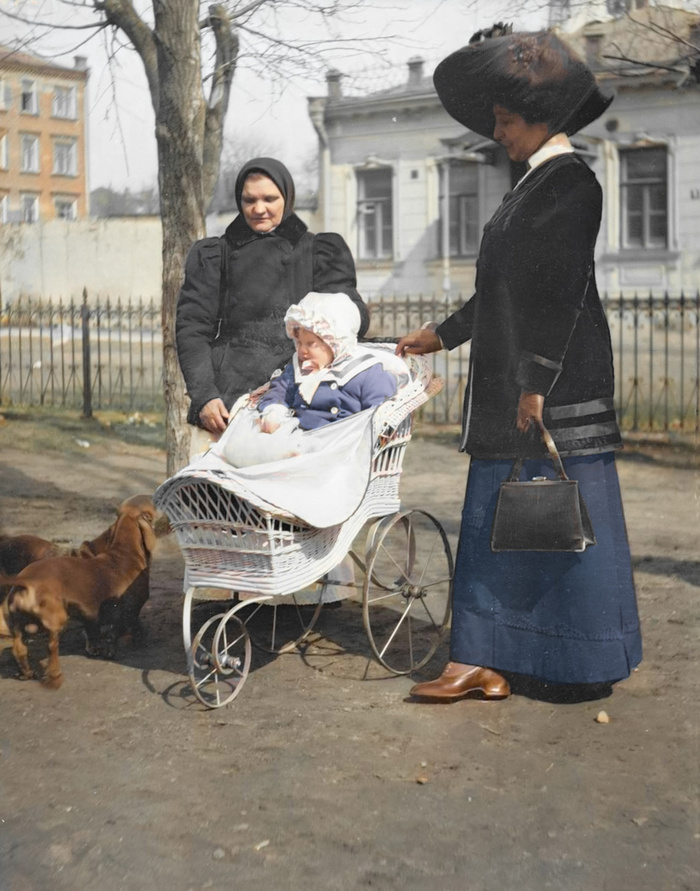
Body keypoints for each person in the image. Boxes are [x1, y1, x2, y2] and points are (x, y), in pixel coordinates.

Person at [397, 29, 642, 701]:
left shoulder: (572, 183)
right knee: (499, 523)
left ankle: (566, 659)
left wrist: (535, 385)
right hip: (515, 385)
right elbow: (501, 291)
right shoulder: (531, 184)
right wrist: (440, 336)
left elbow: (559, 292)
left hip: (551, 387)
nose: (497, 132)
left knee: (554, 523)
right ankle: (481, 657)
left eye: (505, 120)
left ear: (541, 117)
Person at [176, 157, 369, 439]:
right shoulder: (216, 255)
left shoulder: (319, 252)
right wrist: (204, 394)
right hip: (232, 395)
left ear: (287, 198)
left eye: (269, 199)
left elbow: (352, 318)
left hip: (305, 387)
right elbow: (192, 329)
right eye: (249, 200)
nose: (259, 209)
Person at [219, 291, 402, 468]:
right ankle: (265, 459)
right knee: (240, 445)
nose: (302, 351)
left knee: (287, 452)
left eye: (311, 344)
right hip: (300, 437)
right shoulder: (299, 368)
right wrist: (274, 410)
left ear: (336, 342)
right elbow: (280, 389)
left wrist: (375, 438)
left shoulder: (364, 371)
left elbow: (382, 410)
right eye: (298, 343)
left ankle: (280, 461)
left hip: (340, 445)